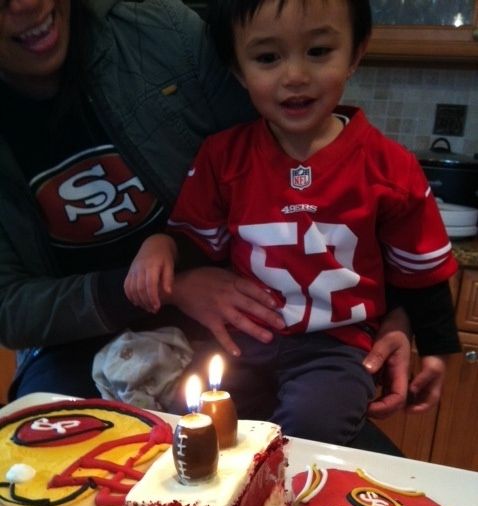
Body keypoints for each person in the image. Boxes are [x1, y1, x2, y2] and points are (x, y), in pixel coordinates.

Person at [0, 0, 408, 422]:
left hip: (237, 327)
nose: (29, 4)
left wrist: (394, 312)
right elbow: (10, 310)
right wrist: (168, 285)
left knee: (303, 448)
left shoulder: (165, 34)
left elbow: (309, 169)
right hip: (74, 341)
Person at [124, 0, 460, 443]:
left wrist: (436, 352)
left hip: (336, 348)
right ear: (239, 71)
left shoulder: (390, 167)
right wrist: (161, 244)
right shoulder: (221, 158)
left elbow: (423, 271)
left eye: (318, 51)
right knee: (196, 425)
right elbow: (196, 243)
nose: (295, 75)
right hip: (244, 341)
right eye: (268, 58)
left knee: (311, 425)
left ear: (356, 53)